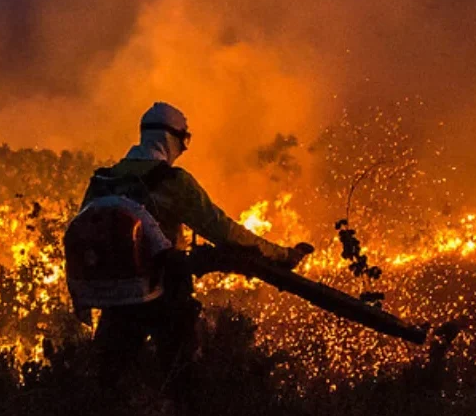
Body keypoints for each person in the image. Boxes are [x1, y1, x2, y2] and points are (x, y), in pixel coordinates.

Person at [79, 101, 308, 387]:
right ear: (169, 138)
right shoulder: (173, 181)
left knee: (104, 384)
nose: (184, 149)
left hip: (115, 299)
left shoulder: (105, 179)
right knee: (181, 382)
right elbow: (223, 230)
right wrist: (281, 254)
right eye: (183, 139)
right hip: (163, 296)